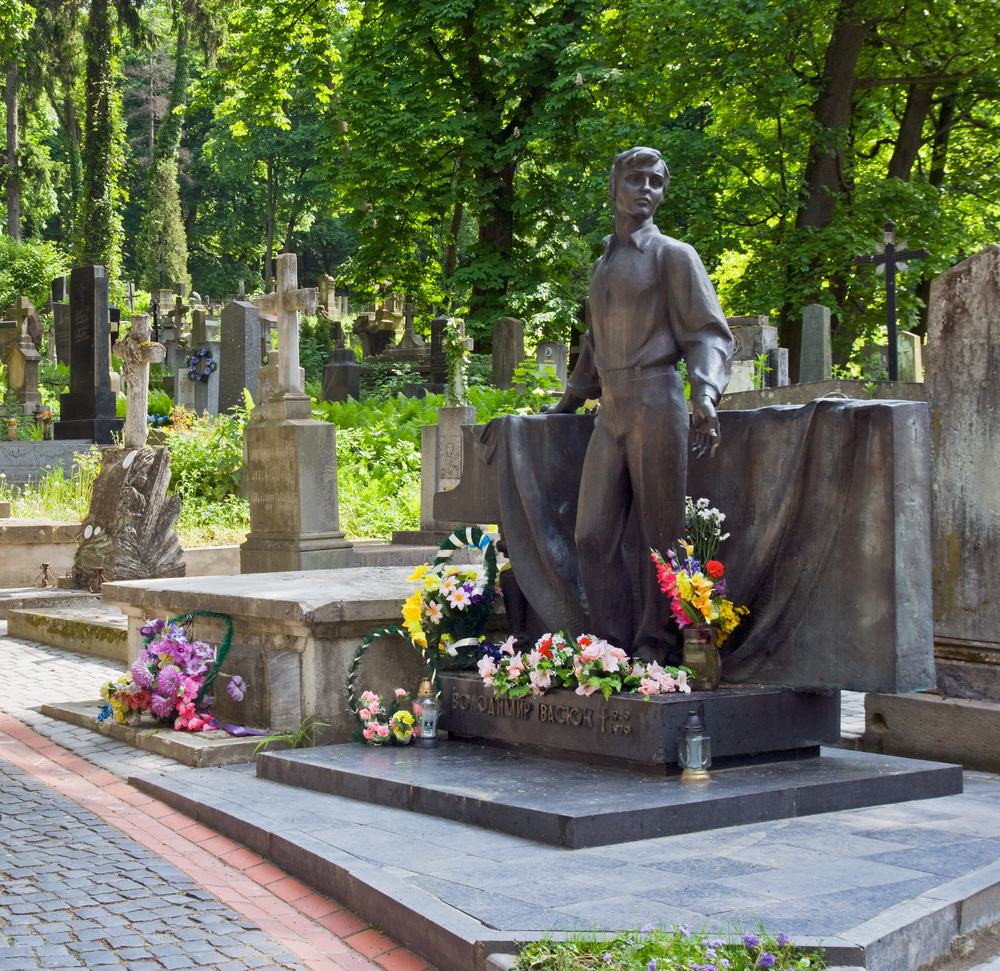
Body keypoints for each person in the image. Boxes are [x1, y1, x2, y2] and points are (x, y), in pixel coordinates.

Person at [546, 146, 734, 660]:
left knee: (661, 533)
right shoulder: (605, 264)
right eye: (635, 179)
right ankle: (611, 644)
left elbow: (710, 334)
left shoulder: (674, 256)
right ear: (614, 187)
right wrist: (568, 401)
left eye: (655, 181)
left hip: (656, 399)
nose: (646, 189)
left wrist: (706, 394)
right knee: (591, 534)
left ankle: (657, 643)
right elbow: (593, 342)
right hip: (612, 408)